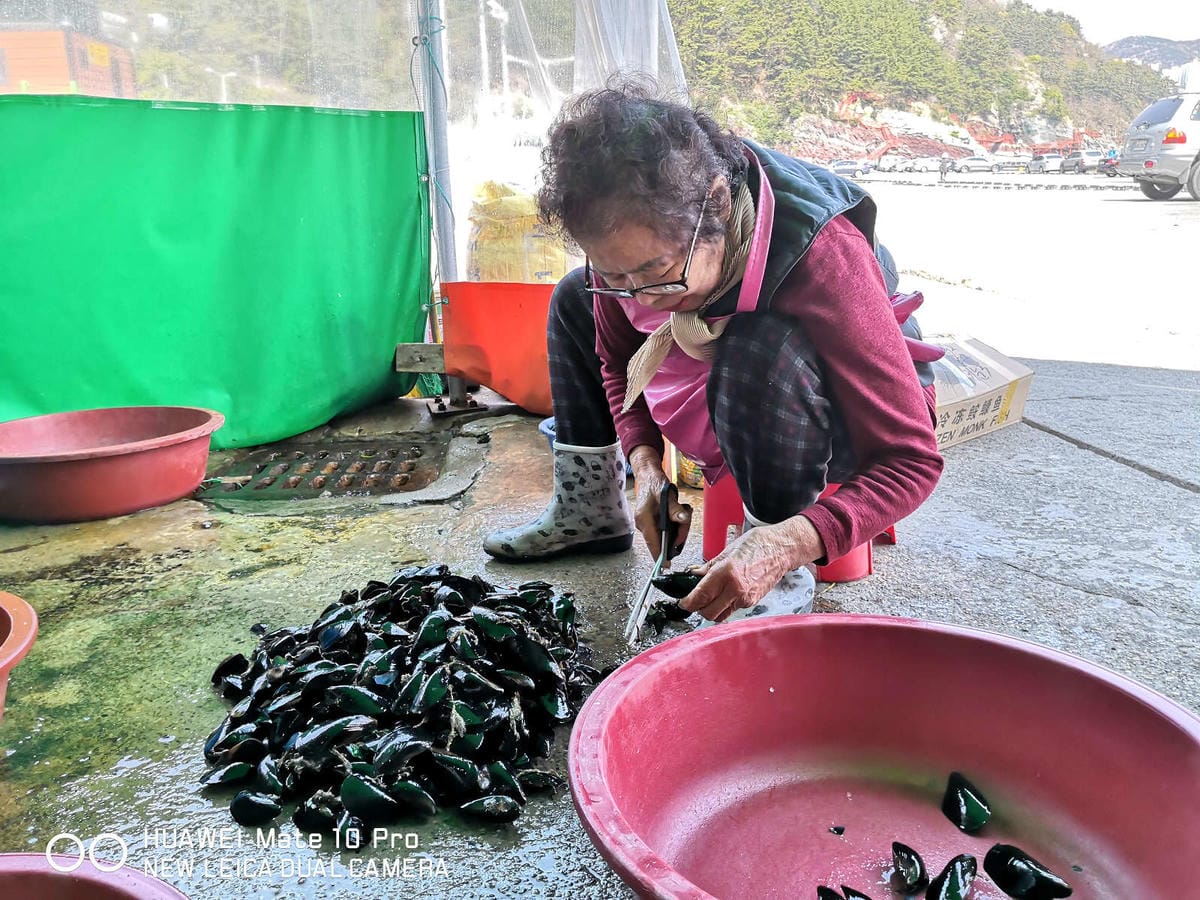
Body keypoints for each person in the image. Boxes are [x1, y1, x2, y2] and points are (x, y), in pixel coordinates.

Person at [483, 80, 944, 624]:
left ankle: (775, 570)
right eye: (615, 274)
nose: (641, 297)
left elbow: (912, 460)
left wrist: (789, 542)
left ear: (718, 205)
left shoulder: (823, 255)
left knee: (760, 350)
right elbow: (618, 364)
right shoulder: (626, 261)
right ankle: (589, 510)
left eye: (656, 272)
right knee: (571, 297)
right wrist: (647, 466)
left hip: (820, 402)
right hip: (703, 360)